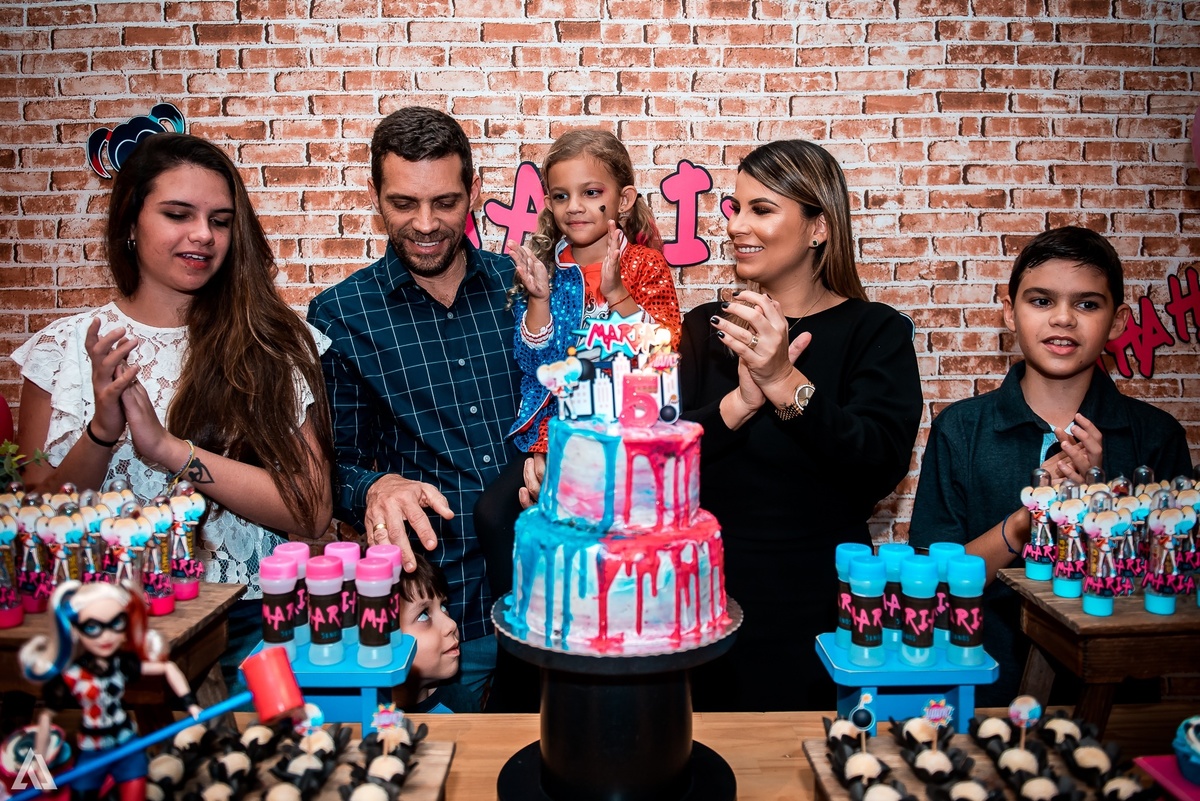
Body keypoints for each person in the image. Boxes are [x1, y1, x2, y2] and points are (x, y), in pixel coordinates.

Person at [12, 132, 334, 688]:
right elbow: (38, 523)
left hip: (250, 629)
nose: (203, 235)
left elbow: (310, 509)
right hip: (100, 629)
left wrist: (168, 450)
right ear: (131, 223)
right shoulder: (62, 349)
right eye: (178, 214)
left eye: (221, 220)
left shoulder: (273, 343)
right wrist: (101, 432)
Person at [678, 139, 923, 712]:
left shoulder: (875, 331)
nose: (737, 225)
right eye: (735, 208)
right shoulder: (703, 328)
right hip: (707, 595)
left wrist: (784, 379)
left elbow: (876, 463)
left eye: (761, 209)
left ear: (818, 228)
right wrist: (740, 401)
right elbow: (664, 460)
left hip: (824, 603)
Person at [909, 225, 1193, 705]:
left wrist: (1101, 503)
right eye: (1041, 301)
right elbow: (932, 585)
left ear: (1118, 321)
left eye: (1087, 304)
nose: (1063, 319)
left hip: (1116, 700)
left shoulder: (1155, 436)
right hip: (980, 690)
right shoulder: (961, 429)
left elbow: (1172, 590)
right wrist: (1028, 521)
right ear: (1009, 311)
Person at [306, 107, 522, 712]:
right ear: (375, 194)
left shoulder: (521, 288)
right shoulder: (341, 316)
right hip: (441, 624)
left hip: (551, 602)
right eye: (403, 203)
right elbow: (331, 466)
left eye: (446, 202)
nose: (426, 224)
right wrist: (375, 485)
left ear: (475, 192)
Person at [477, 128, 682, 599]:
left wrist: (617, 295)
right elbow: (535, 365)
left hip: (625, 432)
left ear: (624, 199)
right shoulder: (547, 268)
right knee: (494, 514)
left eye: (592, 193)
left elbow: (662, 354)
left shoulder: (645, 266)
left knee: (603, 546)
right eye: (561, 195)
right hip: (559, 428)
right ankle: (524, 630)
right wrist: (539, 300)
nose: (575, 207)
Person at [20, 580, 202, 800]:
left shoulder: (121, 664)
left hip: (127, 744)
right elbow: (46, 718)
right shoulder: (72, 675)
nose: (106, 636)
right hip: (93, 749)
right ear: (76, 630)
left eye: (116, 624)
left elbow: (167, 668)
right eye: (93, 627)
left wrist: (190, 703)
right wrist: (40, 763)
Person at [392, 554, 467, 713]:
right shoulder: (357, 720)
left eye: (444, 607)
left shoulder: (462, 702)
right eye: (423, 615)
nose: (451, 624)